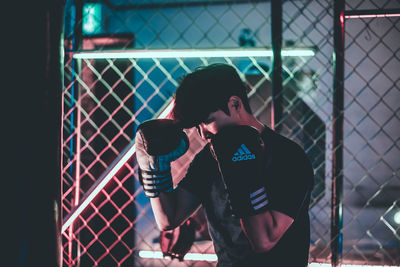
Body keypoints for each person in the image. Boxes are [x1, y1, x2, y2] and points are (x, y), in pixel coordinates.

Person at [135, 63, 315, 266]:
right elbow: (168, 218)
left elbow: (265, 240)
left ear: (235, 104)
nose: (203, 133)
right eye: (197, 125)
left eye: (207, 120)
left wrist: (241, 170)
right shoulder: (209, 158)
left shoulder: (288, 157)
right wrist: (153, 166)